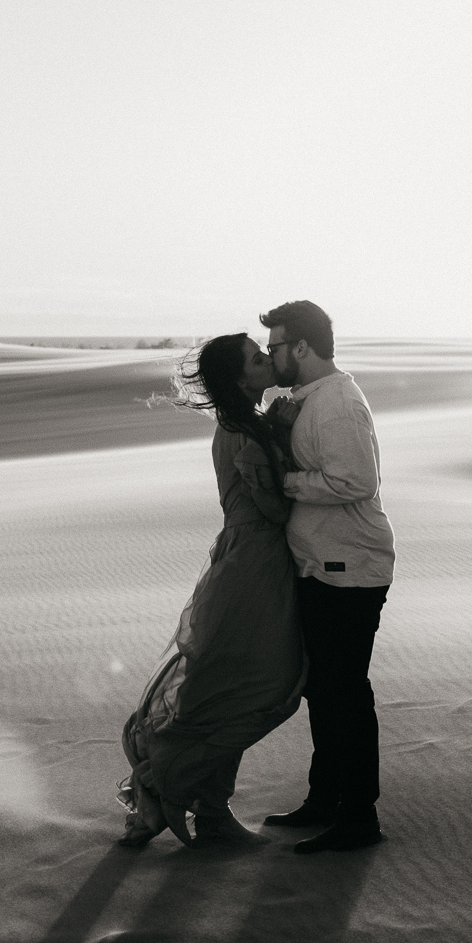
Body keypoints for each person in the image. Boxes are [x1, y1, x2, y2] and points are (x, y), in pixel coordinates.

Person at [117, 334, 307, 849]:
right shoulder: (245, 432)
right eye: (256, 358)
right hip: (256, 567)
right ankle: (165, 787)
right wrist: (290, 450)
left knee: (230, 687)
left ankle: (204, 807)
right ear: (239, 379)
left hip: (246, 562)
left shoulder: (244, 423)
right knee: (264, 688)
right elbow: (275, 510)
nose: (267, 360)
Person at [258, 300, 396, 853]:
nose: (270, 358)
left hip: (350, 569)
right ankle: (325, 799)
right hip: (324, 565)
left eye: (275, 347)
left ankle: (359, 817)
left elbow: (354, 481)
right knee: (326, 691)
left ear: (301, 348)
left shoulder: (336, 402)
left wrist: (286, 481)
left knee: (345, 694)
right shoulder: (309, 399)